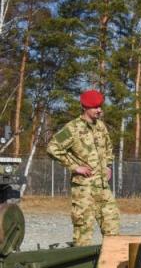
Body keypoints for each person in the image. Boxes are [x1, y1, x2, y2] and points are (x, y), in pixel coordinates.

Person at [46, 89, 120, 246]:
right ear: (85, 108)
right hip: (84, 189)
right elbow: (53, 148)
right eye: (95, 107)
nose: (99, 110)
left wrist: (107, 165)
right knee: (83, 232)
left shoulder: (100, 127)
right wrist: (74, 167)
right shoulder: (72, 128)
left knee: (112, 227)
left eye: (100, 106)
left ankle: (110, 266)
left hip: (102, 187)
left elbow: (108, 147)